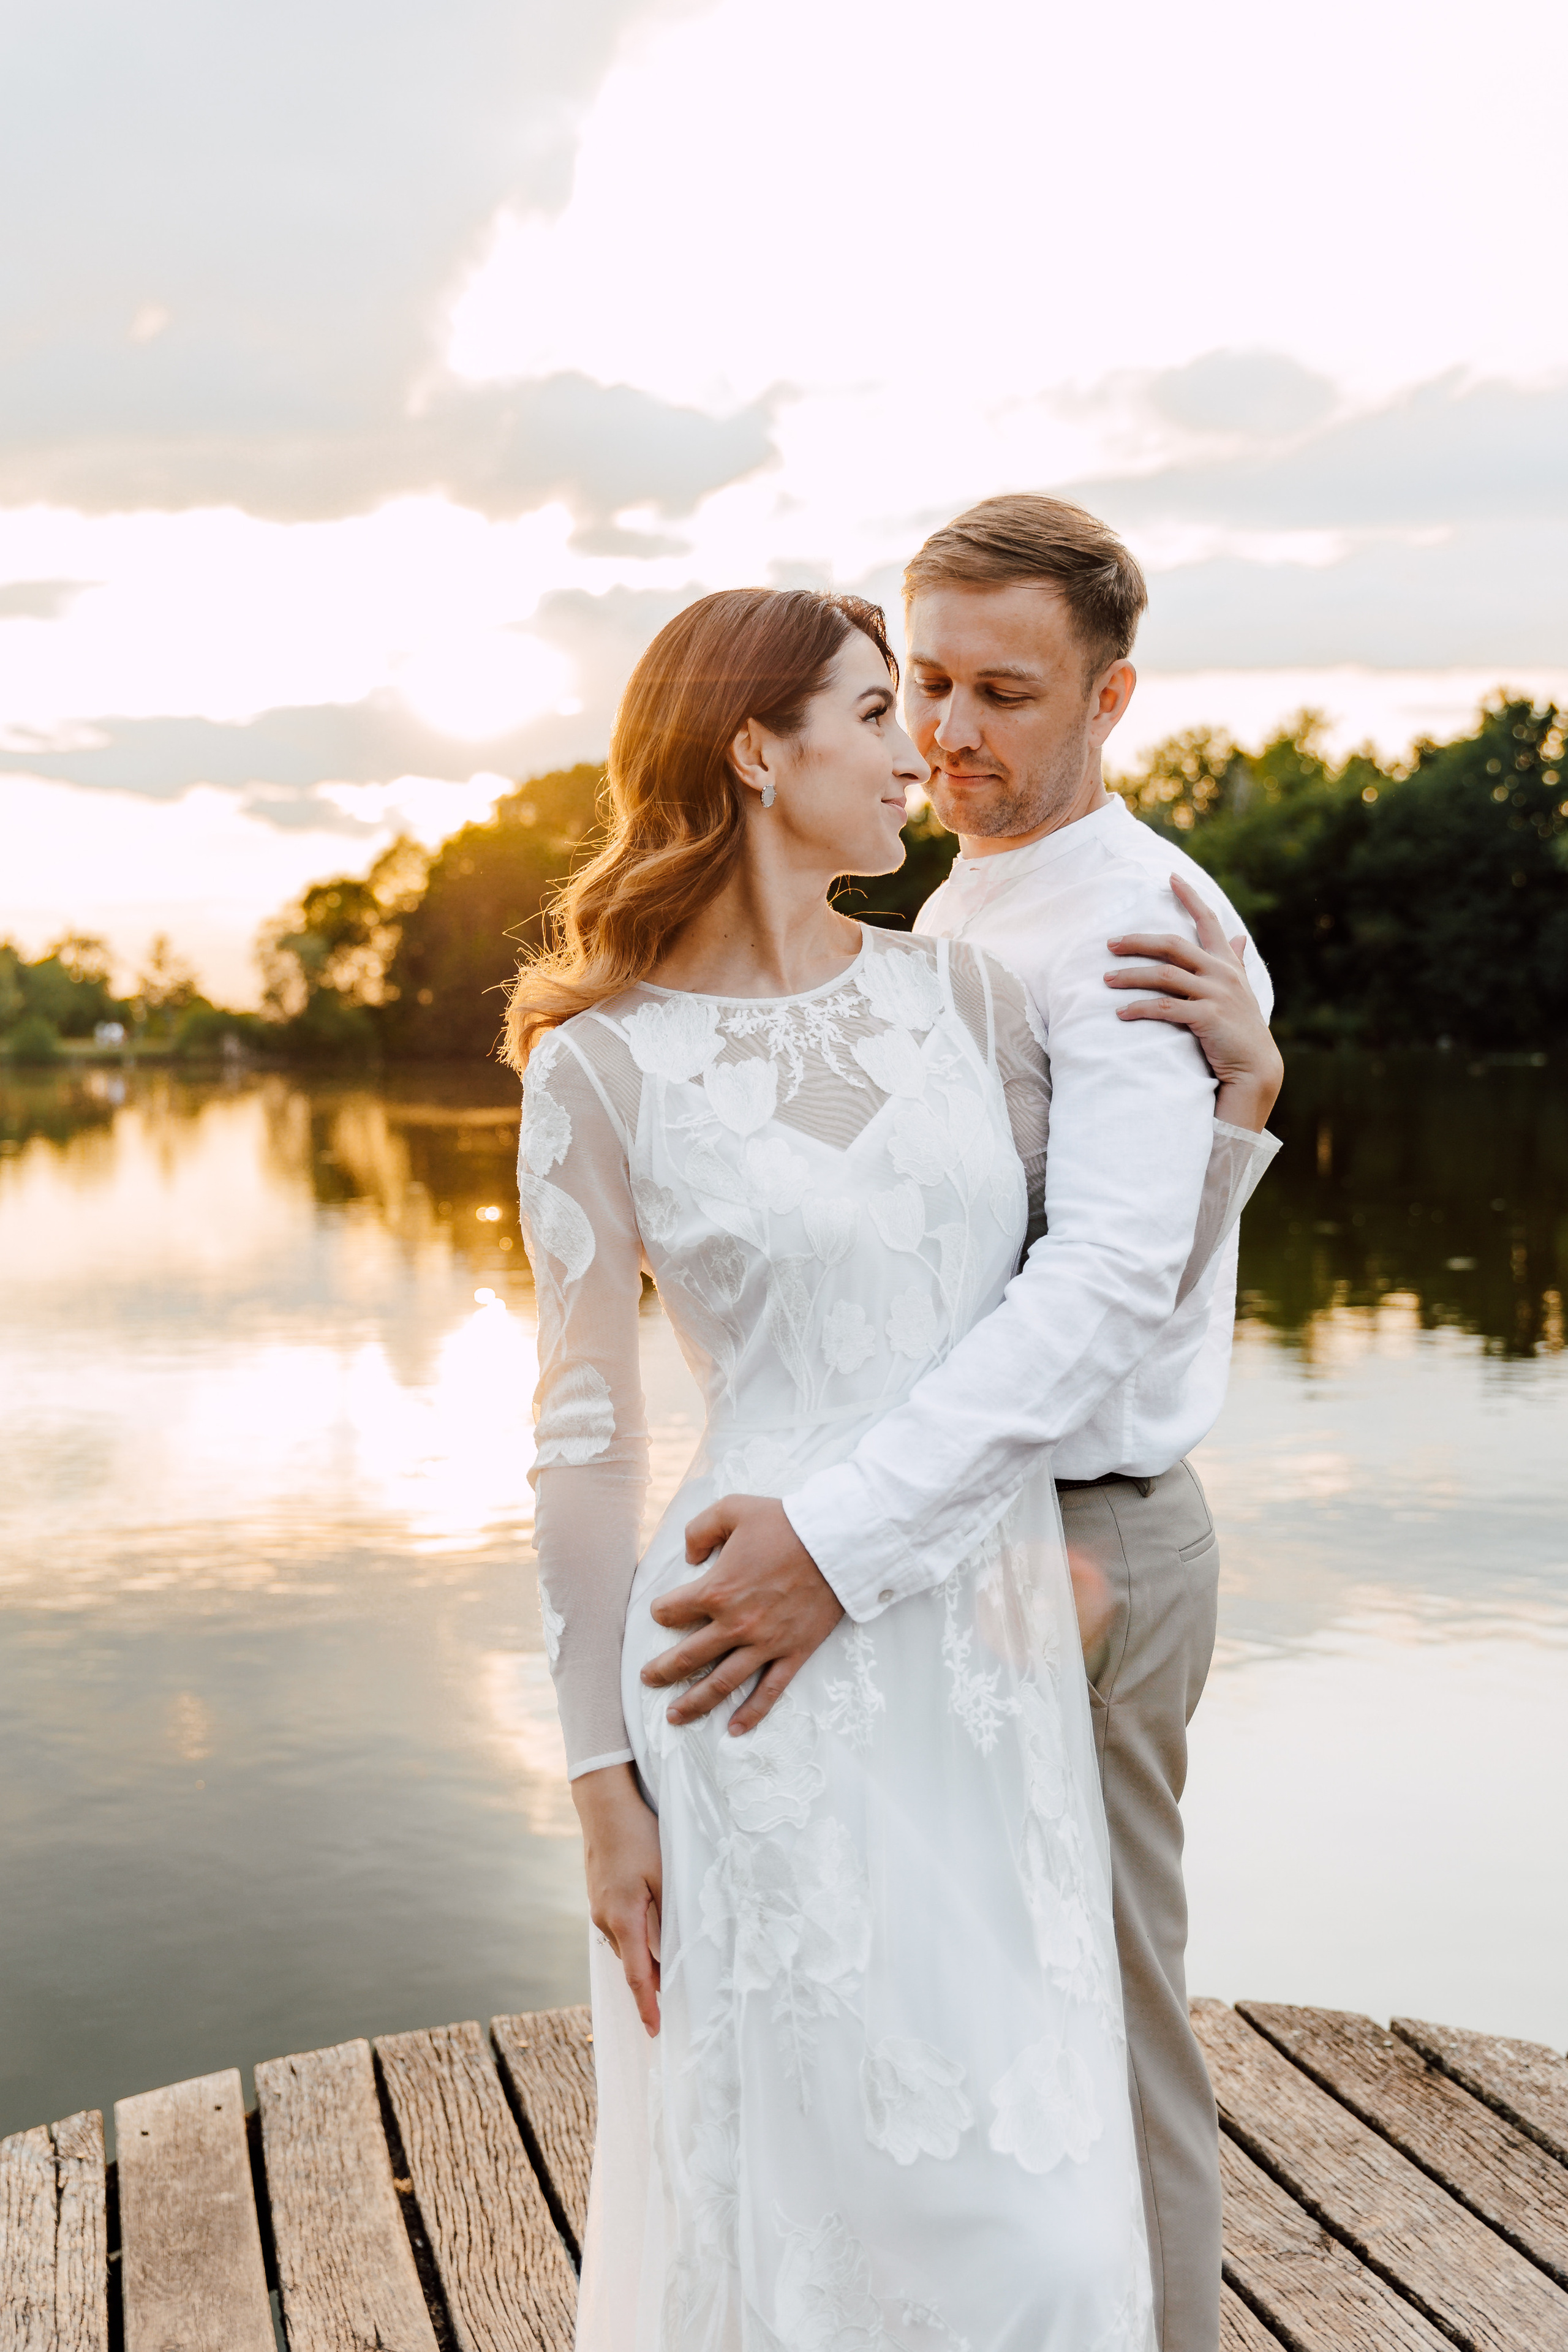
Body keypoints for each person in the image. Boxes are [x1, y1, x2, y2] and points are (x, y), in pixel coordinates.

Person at [507, 579, 1280, 2349]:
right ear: (757, 751)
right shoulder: (600, 1065)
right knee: (802, 2208)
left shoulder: (970, 1002)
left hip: (984, 1636)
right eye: (877, 713)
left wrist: (1238, 1115)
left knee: (1029, 2205)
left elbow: (1096, 1304)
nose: (919, 756)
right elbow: (584, 1442)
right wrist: (597, 1782)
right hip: (741, 1669)